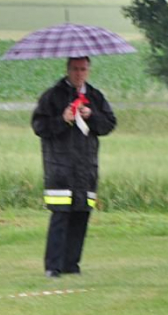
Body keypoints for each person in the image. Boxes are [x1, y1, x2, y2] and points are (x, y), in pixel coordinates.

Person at [32, 56, 116, 278]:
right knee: (60, 216)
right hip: (60, 168)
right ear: (67, 70)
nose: (79, 73)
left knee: (81, 216)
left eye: (83, 69)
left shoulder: (95, 96)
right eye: (75, 69)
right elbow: (39, 126)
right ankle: (53, 267)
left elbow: (109, 124)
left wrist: (92, 115)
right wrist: (63, 119)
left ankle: (72, 265)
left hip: (86, 168)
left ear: (88, 70)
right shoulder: (52, 96)